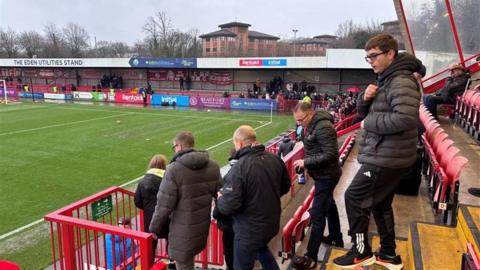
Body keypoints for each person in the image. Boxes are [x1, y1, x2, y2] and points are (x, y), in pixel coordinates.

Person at [333, 34, 423, 269]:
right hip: (387, 154)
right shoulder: (386, 79)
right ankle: (389, 254)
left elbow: (404, 119)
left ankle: (361, 251)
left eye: (374, 56)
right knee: (381, 204)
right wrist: (365, 98)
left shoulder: (400, 81)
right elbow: (365, 112)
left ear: (390, 53)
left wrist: (367, 123)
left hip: (388, 156)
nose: (370, 61)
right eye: (368, 57)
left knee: (353, 197)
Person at [216, 125, 291, 270]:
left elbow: (228, 206)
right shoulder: (274, 159)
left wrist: (220, 199)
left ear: (239, 142)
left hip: (248, 230)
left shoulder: (239, 168)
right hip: (270, 224)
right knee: (262, 249)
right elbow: (285, 186)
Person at [149, 131, 222, 270]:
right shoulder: (213, 166)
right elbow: (220, 196)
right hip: (201, 228)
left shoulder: (173, 170)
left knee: (184, 264)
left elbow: (163, 205)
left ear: (179, 147)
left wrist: (154, 228)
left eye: (174, 147)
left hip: (182, 232)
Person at [292, 102, 343, 269]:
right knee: (330, 207)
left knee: (317, 214)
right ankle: (336, 237)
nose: (299, 124)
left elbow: (330, 154)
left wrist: (306, 161)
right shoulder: (315, 125)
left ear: (310, 114)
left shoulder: (322, 127)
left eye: (301, 120)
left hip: (327, 176)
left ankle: (311, 256)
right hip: (323, 174)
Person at [134, 154, 167, 258]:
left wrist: (148, 209)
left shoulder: (142, 182)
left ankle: (150, 264)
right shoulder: (168, 181)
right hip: (166, 218)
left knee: (150, 247)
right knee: (171, 240)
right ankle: (172, 263)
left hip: (150, 220)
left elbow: (137, 201)